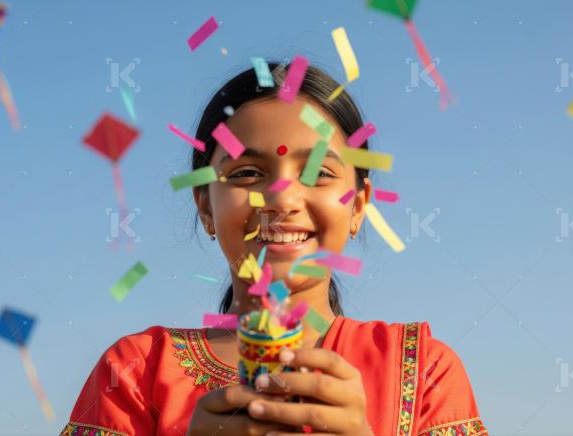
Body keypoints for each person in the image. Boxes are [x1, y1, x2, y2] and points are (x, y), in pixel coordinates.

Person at [61, 62, 487, 436]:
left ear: (358, 206)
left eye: (318, 172)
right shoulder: (137, 371)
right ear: (205, 205)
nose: (282, 199)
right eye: (247, 173)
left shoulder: (422, 368)